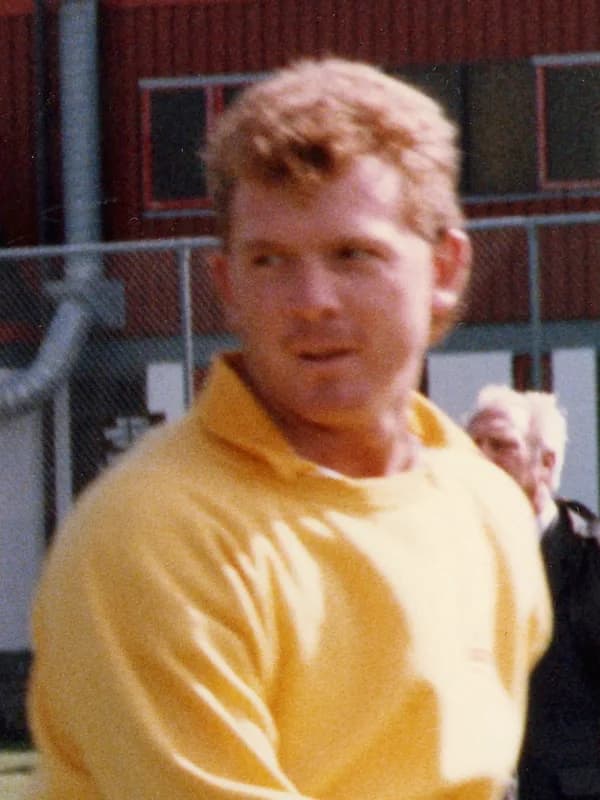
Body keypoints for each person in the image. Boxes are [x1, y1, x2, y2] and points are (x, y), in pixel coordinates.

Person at [27, 58, 551, 800]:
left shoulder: (484, 506)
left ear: (444, 269)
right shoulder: (155, 533)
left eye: (353, 255)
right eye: (270, 260)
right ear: (227, 285)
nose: (311, 300)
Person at [466, 385, 600, 800]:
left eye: (500, 445)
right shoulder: (446, 555)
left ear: (547, 462)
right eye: (473, 445)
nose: (480, 458)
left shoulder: (589, 557)